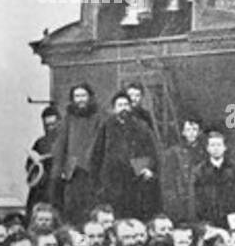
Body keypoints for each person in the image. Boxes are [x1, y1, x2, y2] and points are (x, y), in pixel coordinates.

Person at [90, 92, 161, 221]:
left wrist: (148, 168)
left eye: (126, 105)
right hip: (112, 180)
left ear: (130, 107)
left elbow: (152, 150)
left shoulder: (141, 126)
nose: (123, 108)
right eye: (120, 105)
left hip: (135, 179)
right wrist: (98, 181)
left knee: (135, 214)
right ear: (114, 109)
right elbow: (97, 154)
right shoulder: (106, 127)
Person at [51, 83, 105, 225]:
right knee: (72, 211)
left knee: (91, 211)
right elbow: (61, 145)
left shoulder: (99, 118)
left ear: (89, 97)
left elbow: (99, 143)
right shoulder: (68, 119)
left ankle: (89, 244)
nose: (80, 99)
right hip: (72, 172)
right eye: (77, 96)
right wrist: (59, 170)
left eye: (83, 96)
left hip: (92, 171)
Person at [193, 129, 235, 230]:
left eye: (219, 145)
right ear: (207, 148)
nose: (216, 148)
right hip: (208, 219)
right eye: (212, 145)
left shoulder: (234, 169)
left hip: (231, 217)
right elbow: (197, 198)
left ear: (225, 148)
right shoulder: (200, 171)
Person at [161, 115, 205, 225]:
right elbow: (168, 181)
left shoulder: (205, 152)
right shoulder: (173, 153)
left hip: (200, 201)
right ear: (183, 132)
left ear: (199, 132)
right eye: (188, 130)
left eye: (194, 129)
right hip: (182, 200)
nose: (191, 133)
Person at [25, 104, 60, 213]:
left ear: (60, 123)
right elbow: (29, 166)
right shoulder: (40, 142)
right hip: (41, 188)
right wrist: (36, 163)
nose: (51, 128)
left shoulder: (67, 141)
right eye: (47, 125)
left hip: (59, 187)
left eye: (53, 124)